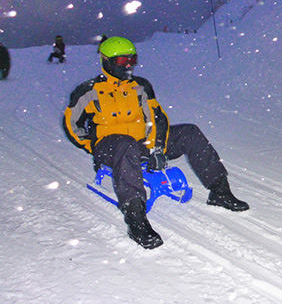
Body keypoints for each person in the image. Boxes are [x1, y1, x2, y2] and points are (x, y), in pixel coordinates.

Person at [63, 37, 249, 249]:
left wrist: (156, 148)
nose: (129, 65)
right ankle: (136, 220)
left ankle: (220, 191)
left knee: (189, 132)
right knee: (125, 144)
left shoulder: (141, 86)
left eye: (133, 59)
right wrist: (92, 146)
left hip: (142, 142)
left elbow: (157, 118)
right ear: (106, 61)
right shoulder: (88, 91)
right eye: (123, 61)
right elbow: (71, 124)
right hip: (111, 146)